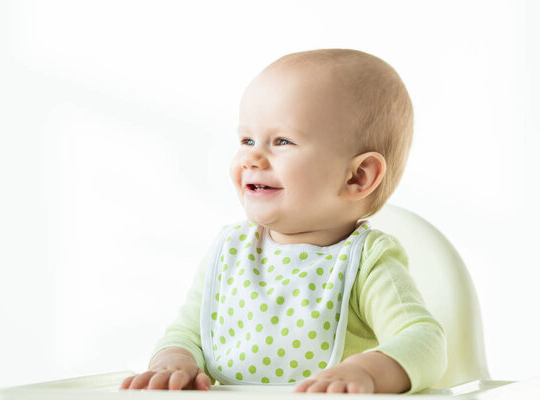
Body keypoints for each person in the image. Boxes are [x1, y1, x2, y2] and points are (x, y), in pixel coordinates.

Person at [119, 49, 447, 394]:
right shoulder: (229, 249)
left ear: (357, 177)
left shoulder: (366, 261)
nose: (252, 157)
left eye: (282, 141)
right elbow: (189, 330)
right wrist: (174, 361)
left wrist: (365, 371)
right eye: (247, 140)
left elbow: (424, 341)